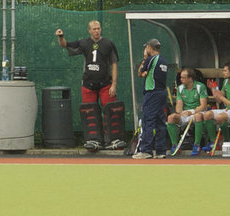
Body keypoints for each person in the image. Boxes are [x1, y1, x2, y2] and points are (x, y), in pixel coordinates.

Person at [55, 20, 124, 152]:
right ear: (89, 31)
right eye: (94, 29)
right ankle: (93, 139)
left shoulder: (108, 44)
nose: (97, 31)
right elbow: (64, 45)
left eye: (98, 28)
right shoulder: (84, 43)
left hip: (105, 84)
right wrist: (60, 36)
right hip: (88, 85)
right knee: (90, 111)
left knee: (110, 109)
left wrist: (113, 84)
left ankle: (112, 139)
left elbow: (114, 64)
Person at [131, 39, 170, 159]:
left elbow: (140, 73)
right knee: (160, 122)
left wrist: (144, 58)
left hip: (152, 93)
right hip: (161, 93)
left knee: (148, 120)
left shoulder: (150, 59)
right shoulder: (163, 60)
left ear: (149, 47)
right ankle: (160, 150)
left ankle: (146, 150)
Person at [165, 68, 209, 156]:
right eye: (181, 77)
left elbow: (203, 106)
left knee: (198, 116)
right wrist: (180, 112)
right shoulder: (180, 88)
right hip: (185, 114)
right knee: (171, 118)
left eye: (183, 78)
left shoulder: (200, 86)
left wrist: (191, 112)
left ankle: (197, 145)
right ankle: (175, 146)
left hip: (197, 112)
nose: (181, 79)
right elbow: (179, 104)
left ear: (190, 78)